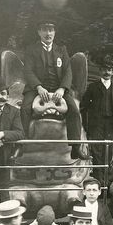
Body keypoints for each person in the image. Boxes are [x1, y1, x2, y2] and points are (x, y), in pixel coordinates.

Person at [21, 19, 84, 159]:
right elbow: (28, 71)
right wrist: (38, 87)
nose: (48, 33)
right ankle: (21, 145)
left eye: (51, 30)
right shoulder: (31, 49)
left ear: (54, 32)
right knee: (25, 108)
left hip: (58, 89)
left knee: (74, 109)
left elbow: (68, 71)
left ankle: (75, 147)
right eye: (44, 29)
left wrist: (62, 89)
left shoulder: (61, 50)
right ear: (39, 32)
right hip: (36, 88)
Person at [80, 57, 113, 183]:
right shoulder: (93, 87)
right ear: (100, 71)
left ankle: (108, 183)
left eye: (109, 70)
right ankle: (99, 182)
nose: (107, 72)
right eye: (104, 69)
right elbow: (83, 106)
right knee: (97, 152)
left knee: (109, 152)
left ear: (112, 72)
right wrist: (85, 125)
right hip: (97, 125)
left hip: (112, 125)